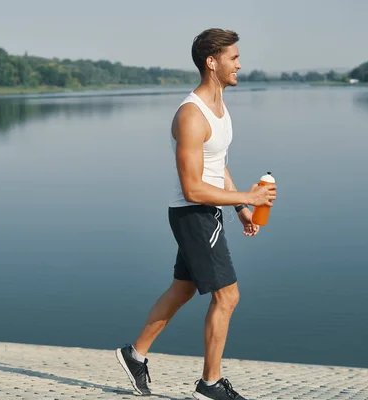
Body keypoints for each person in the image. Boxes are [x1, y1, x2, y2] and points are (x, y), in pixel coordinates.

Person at [116, 28, 277, 400]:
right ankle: (209, 385)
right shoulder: (190, 115)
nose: (240, 63)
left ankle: (134, 355)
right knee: (227, 296)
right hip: (194, 213)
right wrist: (249, 195)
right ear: (212, 62)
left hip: (209, 212)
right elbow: (192, 188)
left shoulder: (219, 107)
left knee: (184, 287)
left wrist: (240, 207)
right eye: (233, 58)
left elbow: (216, 163)